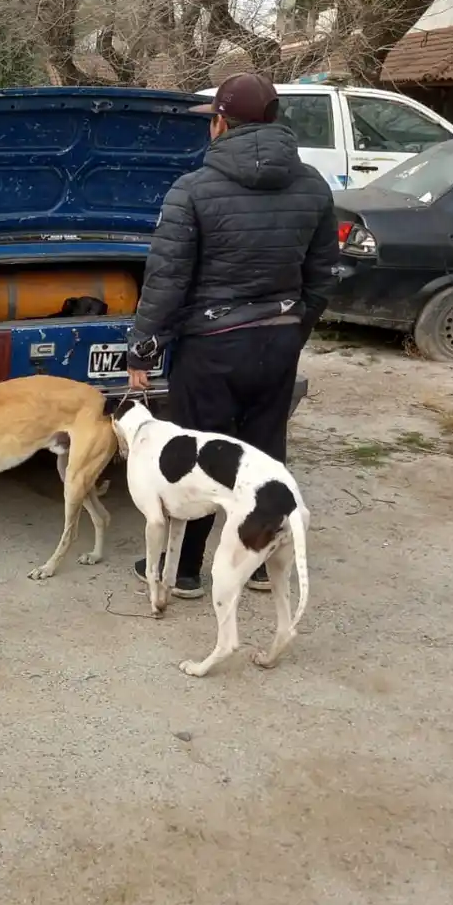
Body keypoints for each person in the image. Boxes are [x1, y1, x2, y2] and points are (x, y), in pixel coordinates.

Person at [125, 72, 338, 598]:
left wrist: (142, 347)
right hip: (277, 342)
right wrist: (294, 329)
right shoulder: (312, 185)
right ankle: (262, 564)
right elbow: (323, 274)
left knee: (203, 455)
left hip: (211, 347)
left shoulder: (194, 189)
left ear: (221, 122)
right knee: (263, 454)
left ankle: (189, 572)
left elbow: (167, 278)